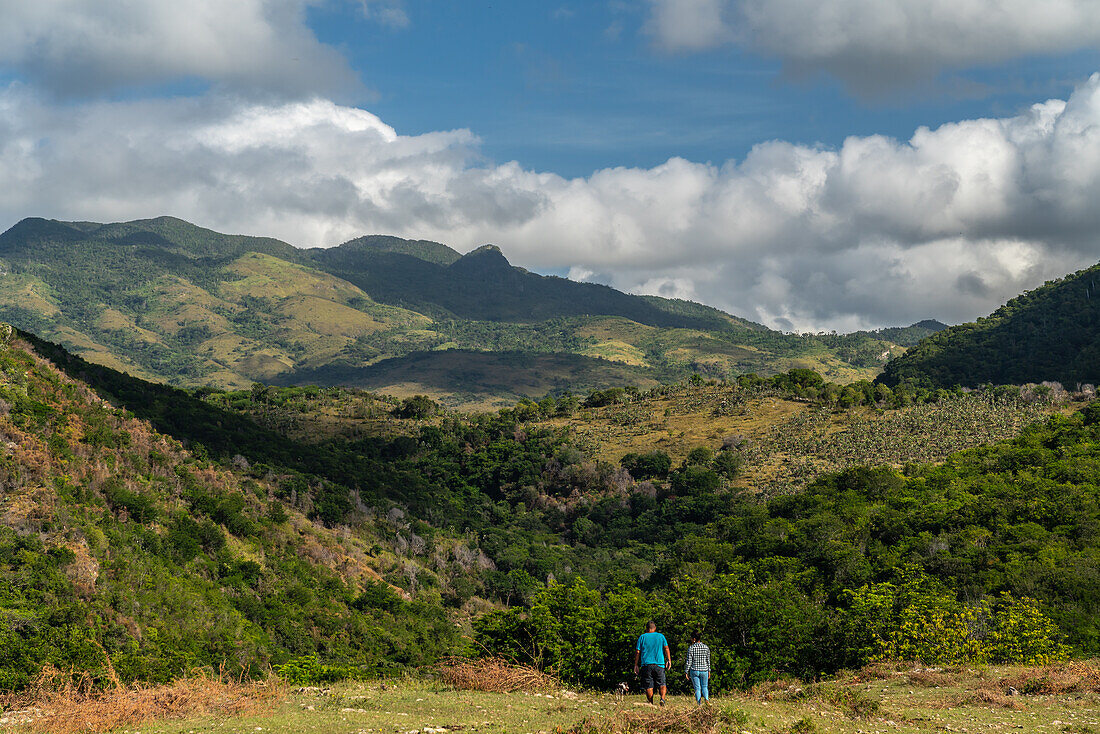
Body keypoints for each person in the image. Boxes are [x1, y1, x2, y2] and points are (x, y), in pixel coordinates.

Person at [633, 620, 671, 706]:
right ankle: (662, 699)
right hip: (659, 664)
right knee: (662, 683)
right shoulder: (661, 636)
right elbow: (666, 648)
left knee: (649, 685)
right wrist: (669, 660)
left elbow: (638, 652)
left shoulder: (642, 637)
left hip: (646, 664)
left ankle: (651, 703)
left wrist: (636, 664)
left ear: (646, 629)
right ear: (655, 628)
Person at [684, 631, 711, 705]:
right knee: (705, 686)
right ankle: (706, 699)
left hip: (695, 670)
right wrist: (709, 670)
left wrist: (686, 671)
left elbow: (689, 661)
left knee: (697, 688)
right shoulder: (706, 647)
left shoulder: (691, 648)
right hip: (704, 669)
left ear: (694, 639)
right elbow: (708, 660)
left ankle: (699, 703)